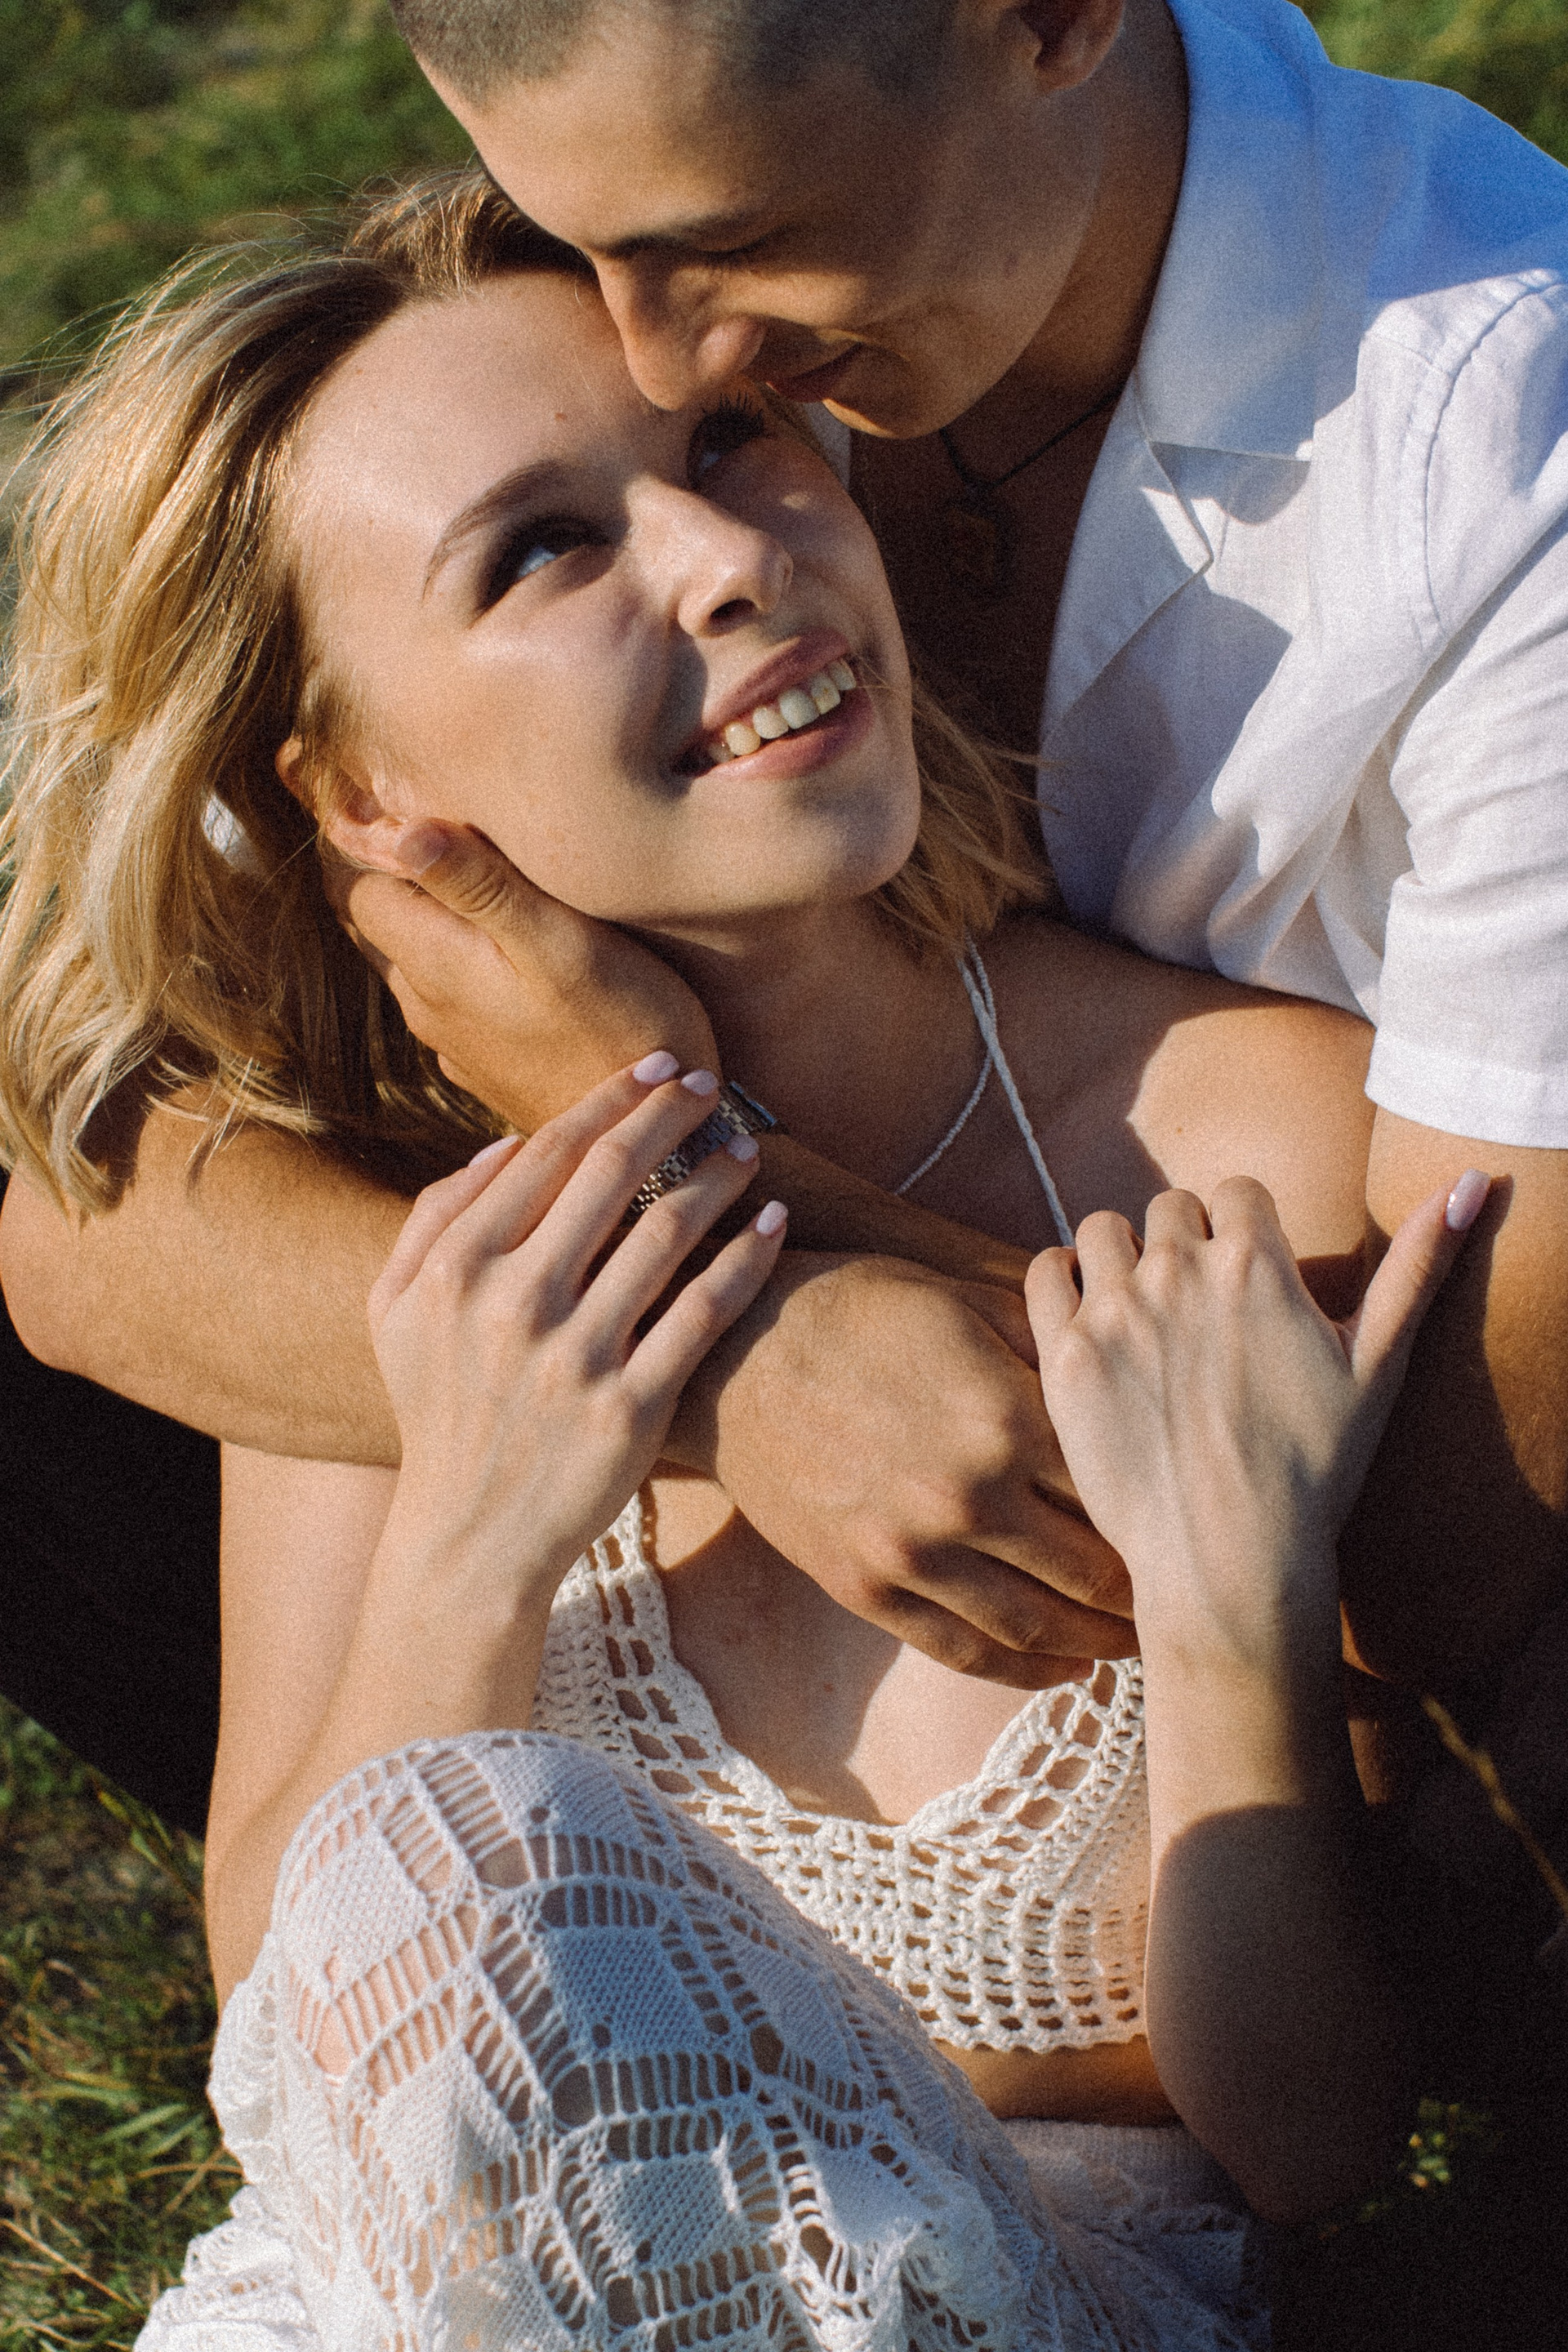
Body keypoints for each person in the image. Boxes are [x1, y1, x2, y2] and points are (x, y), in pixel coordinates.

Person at [0, 172, 1480, 2350]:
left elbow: (1316, 2135)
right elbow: (296, 2032)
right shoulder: (424, 1242)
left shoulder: (1257, 1145)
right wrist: (474, 1534)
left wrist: (1221, 1604)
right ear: (362, 790)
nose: (726, 558)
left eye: (727, 446)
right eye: (541, 550)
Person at [3, 0, 1565, 1827]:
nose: (658, 353)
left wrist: (691, 1152)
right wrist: (730, 1354)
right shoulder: (657, 317)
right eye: (588, 241)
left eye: (732, 245)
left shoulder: (1503, 479)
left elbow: (1431, 1569)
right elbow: (79, 1219)